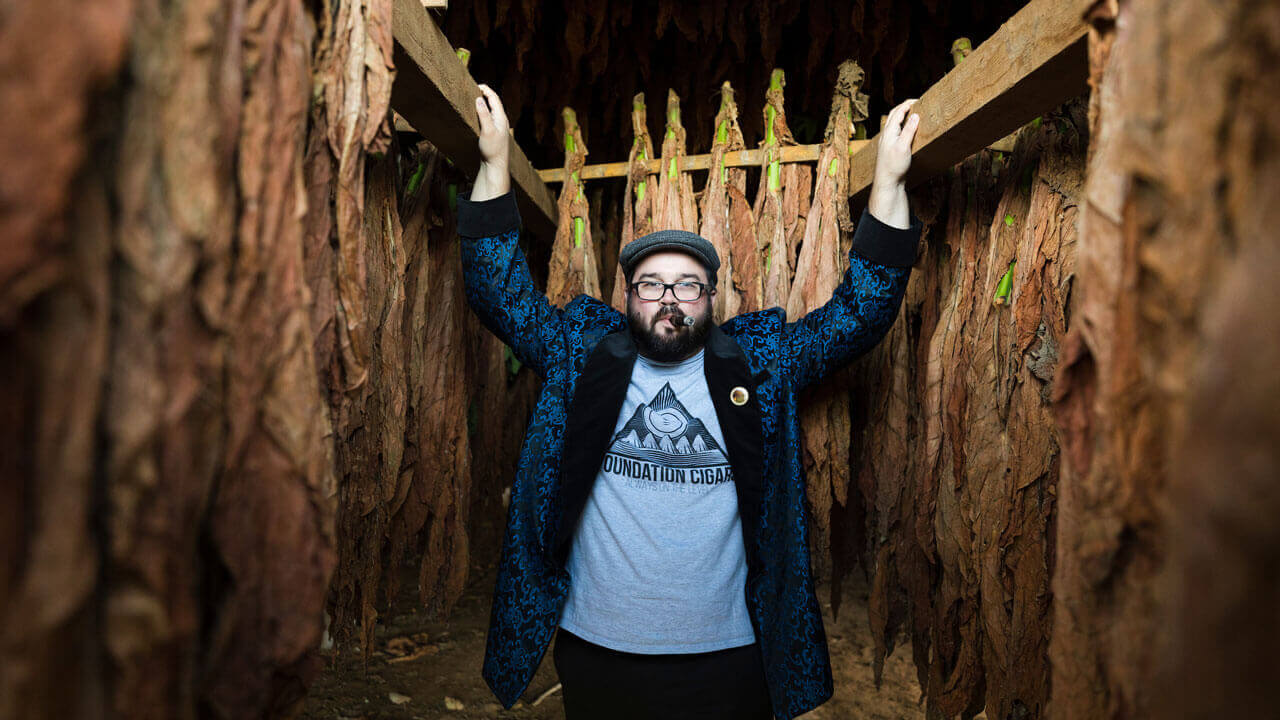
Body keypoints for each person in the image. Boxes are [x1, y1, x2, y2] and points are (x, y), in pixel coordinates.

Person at [459, 83, 921, 720]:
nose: (669, 298)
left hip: (730, 657)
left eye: (688, 285)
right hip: (599, 649)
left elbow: (859, 315)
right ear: (628, 298)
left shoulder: (760, 364)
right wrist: (492, 164)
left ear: (711, 298)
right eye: (651, 284)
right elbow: (498, 294)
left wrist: (890, 185)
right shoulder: (582, 354)